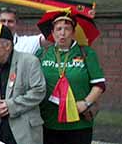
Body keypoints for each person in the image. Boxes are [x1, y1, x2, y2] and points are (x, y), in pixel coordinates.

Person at [36, 16, 106, 144]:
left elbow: (99, 84)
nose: (62, 33)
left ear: (73, 32)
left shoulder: (86, 52)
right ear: (52, 33)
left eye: (67, 29)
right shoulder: (43, 53)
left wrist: (85, 103)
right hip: (49, 121)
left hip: (79, 123)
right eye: (58, 29)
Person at [0, 24, 46, 144]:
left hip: (24, 132)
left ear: (7, 45)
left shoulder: (30, 62)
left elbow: (38, 91)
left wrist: (10, 106)